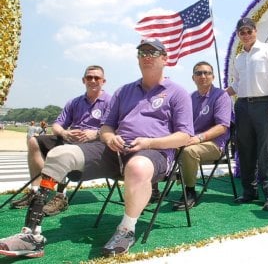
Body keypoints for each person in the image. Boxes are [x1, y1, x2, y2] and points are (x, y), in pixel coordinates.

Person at [0, 38, 194, 258]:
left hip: (154, 153)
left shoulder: (178, 93)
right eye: (142, 52)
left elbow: (184, 135)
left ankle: (126, 229)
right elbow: (107, 126)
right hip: (115, 150)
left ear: (165, 58)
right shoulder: (124, 91)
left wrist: (149, 142)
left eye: (153, 52)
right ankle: (32, 235)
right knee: (59, 154)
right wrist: (109, 137)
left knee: (138, 167)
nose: (146, 56)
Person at [10, 65, 111, 217]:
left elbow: (116, 128)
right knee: (34, 141)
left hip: (94, 144)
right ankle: (36, 192)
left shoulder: (111, 101)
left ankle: (60, 196)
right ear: (83, 80)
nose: (93, 80)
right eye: (89, 77)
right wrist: (64, 132)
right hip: (71, 139)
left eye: (97, 78)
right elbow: (57, 125)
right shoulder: (74, 102)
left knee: (62, 152)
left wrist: (95, 133)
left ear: (104, 81)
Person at [226, 17, 268, 211]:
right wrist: (219, 94)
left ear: (255, 31)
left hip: (266, 105)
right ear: (238, 34)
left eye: (248, 31)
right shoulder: (238, 58)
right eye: (241, 32)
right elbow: (236, 84)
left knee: (266, 151)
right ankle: (249, 192)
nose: (245, 35)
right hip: (242, 106)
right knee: (245, 150)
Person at [172, 61, 232, 211]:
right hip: (191, 140)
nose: (203, 76)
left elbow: (222, 127)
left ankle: (190, 191)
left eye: (207, 73)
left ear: (213, 77)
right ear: (193, 77)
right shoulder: (189, 98)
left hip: (214, 144)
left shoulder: (221, 96)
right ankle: (154, 190)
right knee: (156, 146)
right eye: (199, 73)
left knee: (188, 151)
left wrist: (198, 138)